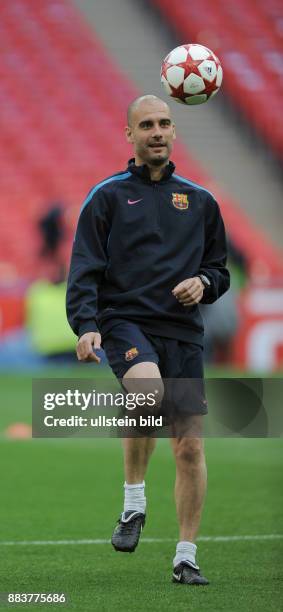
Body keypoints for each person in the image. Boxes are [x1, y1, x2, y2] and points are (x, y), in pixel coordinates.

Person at [66, 95, 230, 586]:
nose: (156, 131)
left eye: (164, 122)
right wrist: (86, 322)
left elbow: (218, 270)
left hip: (182, 329)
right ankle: (134, 501)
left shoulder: (200, 201)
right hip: (125, 320)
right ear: (130, 135)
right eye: (146, 125)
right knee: (145, 391)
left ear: (173, 130)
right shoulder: (107, 196)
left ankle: (186, 556)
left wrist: (204, 284)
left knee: (189, 448)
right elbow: (84, 268)